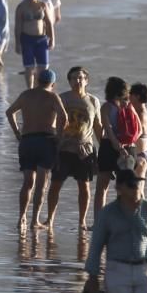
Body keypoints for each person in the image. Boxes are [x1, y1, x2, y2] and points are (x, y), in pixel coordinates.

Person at [5, 68, 68, 234]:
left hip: (27, 141)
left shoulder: (26, 95)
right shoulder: (53, 97)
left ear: (38, 80)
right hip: (46, 141)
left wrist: (17, 133)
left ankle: (21, 218)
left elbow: (9, 112)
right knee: (41, 184)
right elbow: (64, 117)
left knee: (27, 183)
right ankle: (34, 220)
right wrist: (59, 137)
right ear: (53, 84)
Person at [46, 66, 102, 232]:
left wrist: (104, 146)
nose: (77, 81)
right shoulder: (62, 98)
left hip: (84, 150)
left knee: (84, 186)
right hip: (63, 149)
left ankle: (82, 221)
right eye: (73, 78)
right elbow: (52, 122)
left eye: (80, 78)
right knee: (55, 184)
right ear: (69, 81)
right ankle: (49, 220)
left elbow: (98, 126)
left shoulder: (93, 101)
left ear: (86, 80)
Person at [93, 76, 139, 220]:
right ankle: (127, 219)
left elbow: (108, 129)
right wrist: (128, 145)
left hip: (109, 146)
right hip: (129, 147)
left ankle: (99, 221)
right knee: (127, 186)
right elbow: (139, 129)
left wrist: (117, 146)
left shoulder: (106, 107)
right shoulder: (129, 106)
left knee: (102, 186)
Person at [14, 0, 55, 89]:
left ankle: (40, 88)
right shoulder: (21, 7)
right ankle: (30, 89)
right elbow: (18, 26)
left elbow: (49, 23)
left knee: (44, 67)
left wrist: (52, 39)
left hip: (41, 39)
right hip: (27, 39)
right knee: (29, 68)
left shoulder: (42, 5)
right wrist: (17, 43)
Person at [129, 83, 147, 180]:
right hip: (140, 154)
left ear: (137, 96)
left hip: (139, 156)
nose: (128, 97)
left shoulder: (141, 114)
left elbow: (134, 134)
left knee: (137, 190)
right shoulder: (140, 110)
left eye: (130, 94)